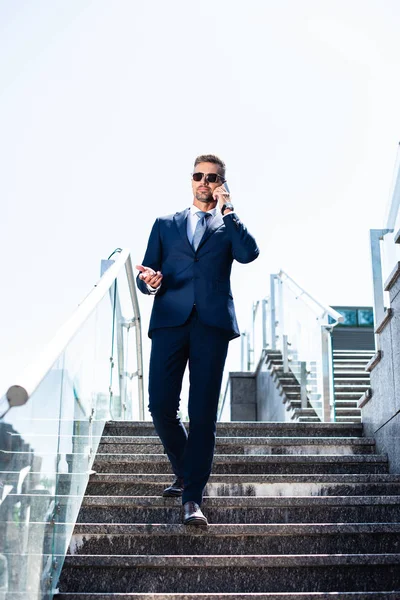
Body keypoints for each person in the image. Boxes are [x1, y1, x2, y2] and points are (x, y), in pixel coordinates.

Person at [136, 154, 259, 527]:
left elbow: (249, 253)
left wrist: (230, 208)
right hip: (170, 321)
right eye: (198, 176)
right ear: (191, 180)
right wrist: (149, 282)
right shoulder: (164, 224)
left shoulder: (227, 226)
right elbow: (146, 273)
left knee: (202, 414)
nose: (204, 182)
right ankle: (187, 470)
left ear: (221, 183)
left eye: (212, 177)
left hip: (211, 325)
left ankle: (192, 500)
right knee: (160, 407)